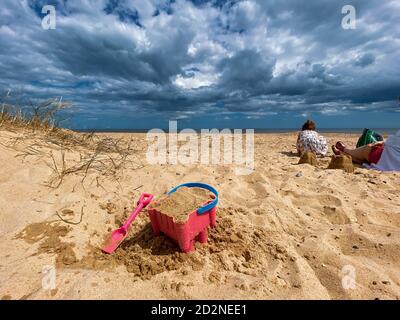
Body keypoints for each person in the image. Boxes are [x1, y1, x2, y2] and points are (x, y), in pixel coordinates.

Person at [333, 130, 400, 171]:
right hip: (390, 163)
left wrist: (382, 142)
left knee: (366, 148)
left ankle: (344, 149)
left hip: (379, 156)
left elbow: (392, 143)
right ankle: (342, 153)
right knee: (363, 160)